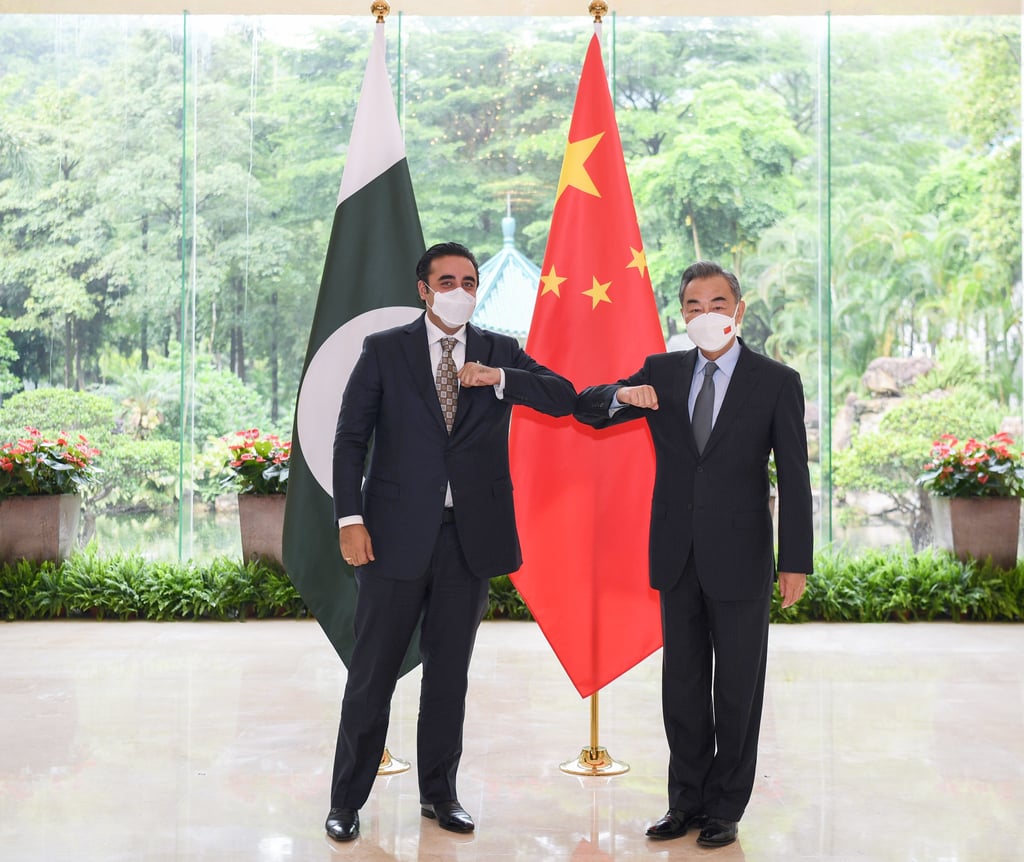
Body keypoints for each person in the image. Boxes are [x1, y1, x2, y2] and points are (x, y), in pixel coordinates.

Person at [325, 241, 576, 842]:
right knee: (372, 673)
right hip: (390, 539)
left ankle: (440, 795)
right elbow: (348, 440)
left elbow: (564, 396)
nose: (459, 291)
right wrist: (348, 519)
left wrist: (500, 379)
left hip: (468, 542)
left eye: (468, 281)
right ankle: (345, 801)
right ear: (423, 288)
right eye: (447, 281)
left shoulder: (498, 350)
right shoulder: (384, 350)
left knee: (448, 677)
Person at [574, 260, 813, 849]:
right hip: (676, 554)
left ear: (739, 308)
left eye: (717, 303)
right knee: (682, 687)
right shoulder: (664, 371)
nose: (706, 315)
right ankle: (684, 802)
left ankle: (725, 807)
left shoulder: (775, 380)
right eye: (693, 306)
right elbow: (587, 408)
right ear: (681, 314)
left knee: (736, 688)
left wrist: (796, 561)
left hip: (743, 558)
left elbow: (797, 476)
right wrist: (620, 393)